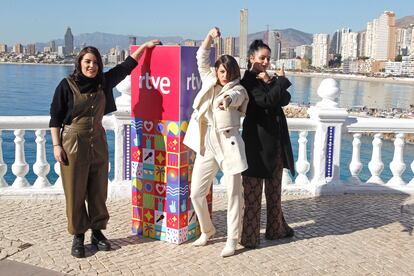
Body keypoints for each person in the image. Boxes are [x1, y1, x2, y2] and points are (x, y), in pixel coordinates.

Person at [50, 40, 160, 258]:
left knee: (99, 189)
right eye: (87, 62)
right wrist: (56, 145)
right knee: (75, 191)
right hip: (73, 142)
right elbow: (55, 118)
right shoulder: (66, 85)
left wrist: (145, 47)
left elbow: (126, 66)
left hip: (98, 141)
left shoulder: (104, 82)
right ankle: (78, 235)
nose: (92, 66)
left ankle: (98, 232)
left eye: (95, 63)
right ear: (79, 62)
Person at [183, 27, 249, 257]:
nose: (225, 75)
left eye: (229, 72)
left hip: (229, 145)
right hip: (207, 143)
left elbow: (237, 97)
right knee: (196, 194)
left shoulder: (239, 88)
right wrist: (210, 37)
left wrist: (227, 100)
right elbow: (201, 57)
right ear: (217, 70)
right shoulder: (209, 79)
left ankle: (232, 239)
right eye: (222, 71)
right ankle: (207, 230)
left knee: (233, 195)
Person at [240, 39, 295, 249]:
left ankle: (276, 229)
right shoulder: (248, 81)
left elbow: (284, 99)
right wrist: (279, 81)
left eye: (268, 58)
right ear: (251, 58)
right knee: (252, 196)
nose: (266, 62)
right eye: (262, 58)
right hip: (256, 145)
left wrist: (274, 82)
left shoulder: (264, 79)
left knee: (274, 193)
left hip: (274, 144)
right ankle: (250, 238)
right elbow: (266, 101)